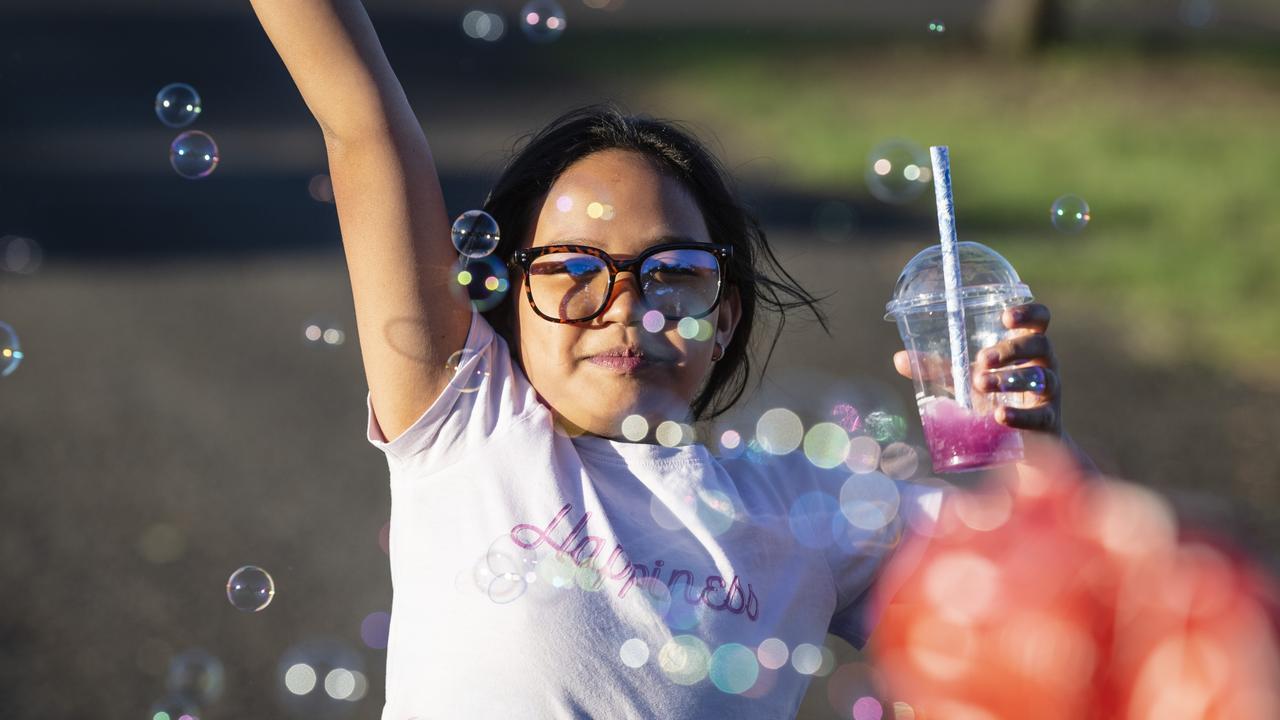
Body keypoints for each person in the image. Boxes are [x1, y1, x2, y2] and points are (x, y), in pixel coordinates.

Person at [249, 2, 1074, 717]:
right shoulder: (465, 426)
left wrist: (1017, 440)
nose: (627, 307)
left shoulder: (803, 510)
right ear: (505, 300)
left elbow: (1034, 606)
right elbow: (363, 127)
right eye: (574, 269)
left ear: (726, 316)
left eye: (673, 274)